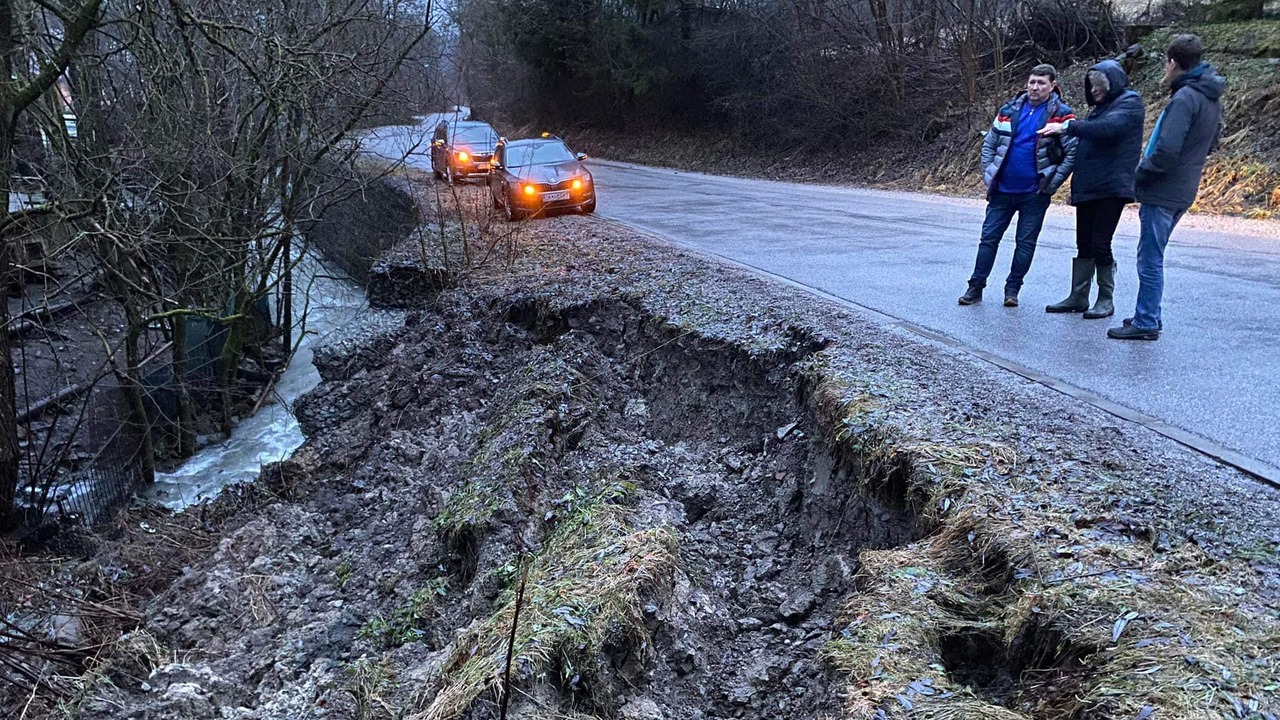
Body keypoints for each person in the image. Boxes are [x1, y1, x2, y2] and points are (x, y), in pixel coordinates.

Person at [1109, 34, 1224, 340]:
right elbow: (1213, 141)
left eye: (1166, 62)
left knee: (1149, 257)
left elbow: (1167, 148)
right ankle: (1149, 314)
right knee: (1153, 254)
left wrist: (1143, 173)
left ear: (1173, 63)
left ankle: (1146, 320)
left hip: (1164, 188)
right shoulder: (1211, 96)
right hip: (1185, 185)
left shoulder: (1185, 98)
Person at [960, 65, 1078, 307]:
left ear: (1053, 85)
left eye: (1041, 83)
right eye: (1032, 82)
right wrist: (989, 174)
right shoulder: (1008, 110)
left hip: (1034, 193)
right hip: (1002, 190)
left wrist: (1052, 183)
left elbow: (1072, 152)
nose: (1035, 87)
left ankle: (1012, 290)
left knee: (1025, 243)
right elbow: (989, 144)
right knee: (988, 239)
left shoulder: (1062, 115)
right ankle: (975, 286)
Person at [1038, 60, 1144, 319]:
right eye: (1092, 86)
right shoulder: (1101, 108)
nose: (1094, 91)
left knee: (1100, 243)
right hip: (1089, 186)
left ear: (1113, 83)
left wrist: (1067, 126)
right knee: (1083, 243)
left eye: (1099, 86)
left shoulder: (1129, 103)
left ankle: (1105, 299)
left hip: (1111, 187)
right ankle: (1078, 296)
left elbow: (1109, 129)